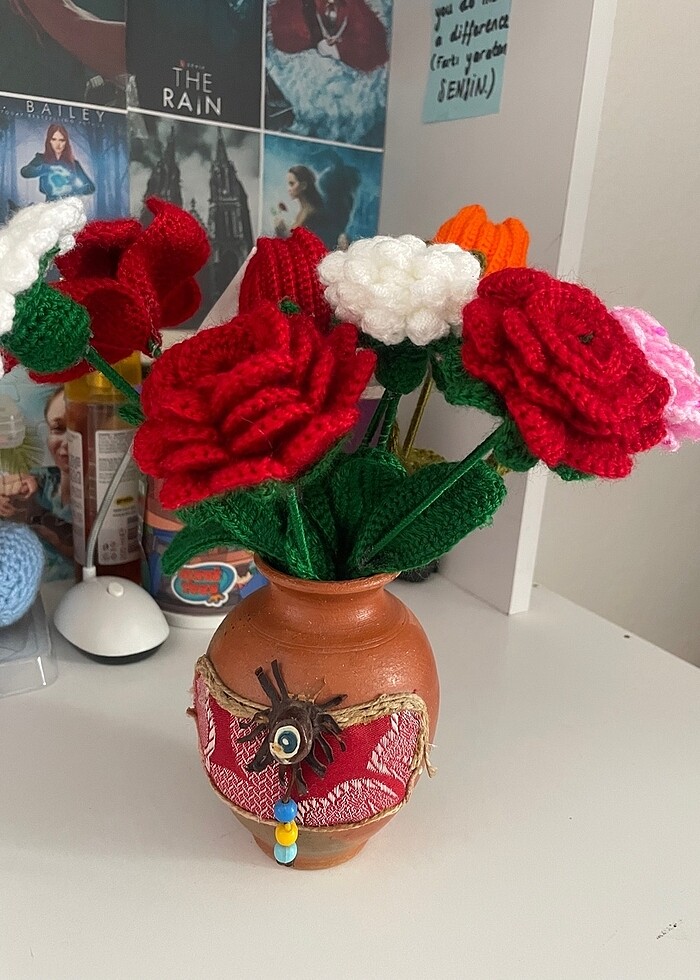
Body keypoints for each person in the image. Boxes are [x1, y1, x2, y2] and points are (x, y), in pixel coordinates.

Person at [28, 388, 73, 580]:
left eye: (79, 429)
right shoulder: (39, 481)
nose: (67, 442)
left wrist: (57, 543)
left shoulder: (111, 503)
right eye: (58, 429)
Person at [20, 124, 95, 203]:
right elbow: (25, 172)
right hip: (50, 205)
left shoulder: (74, 164)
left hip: (69, 206)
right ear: (49, 141)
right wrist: (47, 168)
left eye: (62, 140)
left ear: (66, 142)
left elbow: (90, 188)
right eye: (54, 139)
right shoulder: (41, 159)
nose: (58, 144)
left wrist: (73, 189)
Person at [274, 165, 327, 240]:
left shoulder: (312, 214)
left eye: (292, 184)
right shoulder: (303, 210)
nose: (288, 189)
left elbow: (305, 243)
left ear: (303, 186)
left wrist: (282, 233)